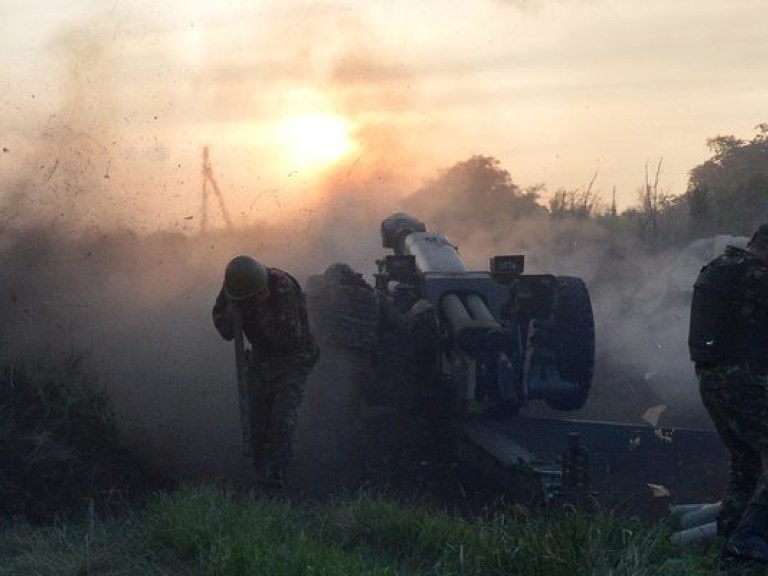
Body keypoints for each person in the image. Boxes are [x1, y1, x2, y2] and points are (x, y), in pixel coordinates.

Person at [689, 223, 768, 563]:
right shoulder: (757, 277)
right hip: (748, 382)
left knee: (745, 462)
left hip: (713, 383)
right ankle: (747, 541)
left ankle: (728, 541)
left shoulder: (718, 268)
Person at [212, 255, 319, 493]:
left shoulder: (282, 286)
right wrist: (233, 310)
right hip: (261, 360)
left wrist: (261, 307)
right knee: (257, 424)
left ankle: (273, 483)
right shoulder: (234, 286)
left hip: (293, 360)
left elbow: (288, 338)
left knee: (281, 423)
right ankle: (261, 474)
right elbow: (225, 330)